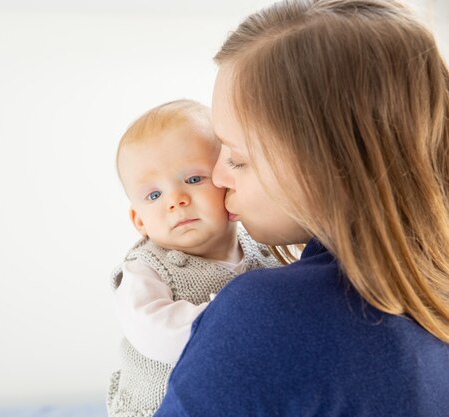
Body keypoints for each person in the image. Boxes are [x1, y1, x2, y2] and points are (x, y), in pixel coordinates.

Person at [154, 0, 449, 416]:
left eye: (238, 158)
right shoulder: (432, 297)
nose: (218, 177)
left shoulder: (266, 316)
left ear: (329, 164)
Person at [107, 99, 280, 417]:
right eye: (154, 195)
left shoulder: (264, 253)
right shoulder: (145, 270)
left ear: (228, 184)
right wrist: (238, 318)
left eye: (194, 179)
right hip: (160, 408)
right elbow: (156, 333)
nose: (177, 200)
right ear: (140, 220)